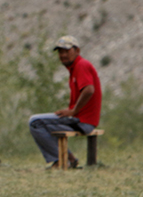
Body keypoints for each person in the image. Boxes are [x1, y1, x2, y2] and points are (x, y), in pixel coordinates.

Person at [28, 35, 102, 168]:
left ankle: (60, 161)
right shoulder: (75, 68)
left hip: (82, 120)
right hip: (83, 119)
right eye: (60, 52)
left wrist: (74, 111)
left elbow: (89, 90)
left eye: (67, 51)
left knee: (35, 122)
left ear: (77, 51)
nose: (63, 55)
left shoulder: (81, 65)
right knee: (46, 125)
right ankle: (71, 159)